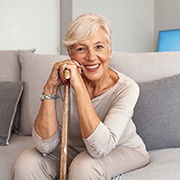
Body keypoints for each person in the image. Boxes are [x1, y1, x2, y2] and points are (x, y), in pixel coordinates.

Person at [13, 13, 150, 180]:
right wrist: (50, 87)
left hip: (122, 149)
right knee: (27, 162)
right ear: (71, 55)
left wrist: (79, 87)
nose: (91, 57)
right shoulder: (62, 83)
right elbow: (45, 146)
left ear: (110, 50)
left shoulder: (127, 88)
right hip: (74, 149)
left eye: (99, 46)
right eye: (81, 49)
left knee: (84, 167)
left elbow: (99, 148)